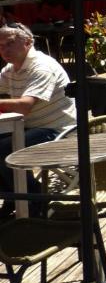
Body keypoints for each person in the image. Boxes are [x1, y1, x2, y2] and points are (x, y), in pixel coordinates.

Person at [0, 22, 77, 218]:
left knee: (5, 150)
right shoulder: (10, 70)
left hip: (60, 131)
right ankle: (14, 197)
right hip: (28, 128)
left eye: (9, 43)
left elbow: (25, 105)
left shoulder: (42, 67)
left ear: (27, 42)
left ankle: (37, 201)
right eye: (1, 46)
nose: (5, 50)